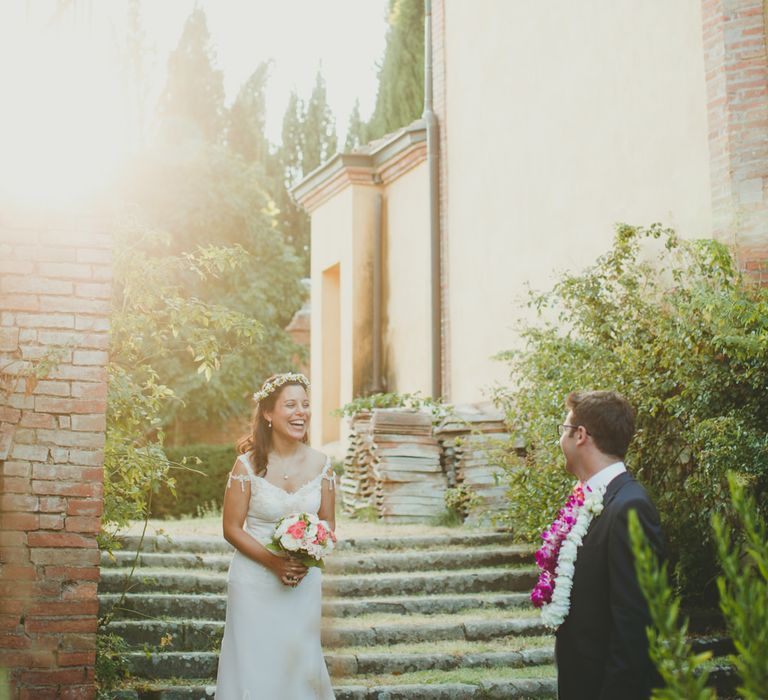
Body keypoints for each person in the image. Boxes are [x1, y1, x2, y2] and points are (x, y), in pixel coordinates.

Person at [215, 372, 336, 700]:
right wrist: (274, 562)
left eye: (306, 405)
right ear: (268, 413)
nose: (302, 413)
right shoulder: (247, 466)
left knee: (299, 665)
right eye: (291, 405)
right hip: (254, 582)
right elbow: (231, 528)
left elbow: (327, 526)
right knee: (256, 667)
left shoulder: (323, 465)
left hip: (302, 582)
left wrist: (307, 554)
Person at [555, 390, 664, 700]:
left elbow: (634, 629)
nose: (558, 442)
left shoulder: (630, 507)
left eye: (563, 431)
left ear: (580, 435)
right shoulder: (591, 501)